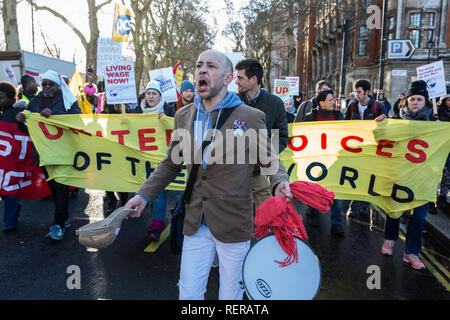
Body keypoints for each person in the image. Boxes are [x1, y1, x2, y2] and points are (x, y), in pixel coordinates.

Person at [124, 49, 292, 300]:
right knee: (189, 294)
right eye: (200, 65)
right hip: (195, 223)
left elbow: (270, 160)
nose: (202, 69)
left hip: (233, 223)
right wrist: (143, 195)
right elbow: (171, 163)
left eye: (211, 66)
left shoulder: (250, 116)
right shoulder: (183, 116)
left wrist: (279, 181)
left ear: (227, 79)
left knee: (230, 296)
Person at [376, 80, 435, 270]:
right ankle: (389, 240)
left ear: (425, 101)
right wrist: (379, 126)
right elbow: (380, 142)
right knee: (394, 210)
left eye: (419, 99)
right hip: (399, 176)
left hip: (423, 179)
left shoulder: (436, 123)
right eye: (412, 99)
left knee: (418, 218)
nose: (415, 102)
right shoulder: (396, 120)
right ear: (406, 101)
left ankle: (411, 253)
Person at [16, 70, 81, 241]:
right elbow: (26, 128)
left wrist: (54, 115)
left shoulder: (68, 101)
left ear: (58, 87)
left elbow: (78, 121)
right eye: (43, 84)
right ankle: (64, 217)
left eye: (50, 84)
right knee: (53, 188)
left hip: (63, 152)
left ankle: (58, 225)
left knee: (61, 188)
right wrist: (21, 119)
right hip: (43, 153)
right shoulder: (35, 101)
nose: (46, 87)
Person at [235, 58, 289, 208]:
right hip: (235, 173)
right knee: (234, 218)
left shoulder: (275, 103)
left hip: (260, 174)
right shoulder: (232, 102)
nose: (236, 82)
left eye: (240, 78)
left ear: (253, 79)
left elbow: (281, 137)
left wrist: (265, 156)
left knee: (269, 216)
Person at [134, 80, 175, 241]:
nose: (151, 97)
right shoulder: (138, 111)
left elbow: (179, 127)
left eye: (154, 94)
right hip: (141, 159)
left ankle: (156, 226)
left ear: (160, 96)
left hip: (161, 160)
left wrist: (167, 119)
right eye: (148, 93)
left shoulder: (169, 110)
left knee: (159, 192)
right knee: (144, 190)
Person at [302, 90, 345, 236]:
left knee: (335, 193)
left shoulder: (339, 116)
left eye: (334, 99)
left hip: (334, 160)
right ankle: (313, 213)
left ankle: (337, 223)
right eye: (330, 100)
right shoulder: (310, 117)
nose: (334, 102)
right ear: (321, 103)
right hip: (315, 160)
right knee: (314, 189)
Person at [344, 79, 387, 218]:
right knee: (355, 176)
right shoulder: (351, 106)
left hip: (372, 149)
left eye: (359, 92)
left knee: (369, 177)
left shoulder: (378, 107)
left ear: (367, 92)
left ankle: (365, 206)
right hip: (355, 148)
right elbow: (343, 125)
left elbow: (386, 127)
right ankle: (353, 205)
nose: (356, 94)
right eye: (355, 91)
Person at [0, 82, 27, 233]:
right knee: (4, 192)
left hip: (14, 159)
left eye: (1, 97)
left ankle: (10, 223)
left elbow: (27, 129)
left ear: (10, 98)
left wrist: (22, 116)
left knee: (9, 190)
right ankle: (14, 207)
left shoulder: (18, 110)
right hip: (1, 158)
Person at [100, 96, 130, 216]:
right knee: (106, 175)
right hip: (107, 147)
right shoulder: (103, 111)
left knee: (122, 175)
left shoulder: (126, 110)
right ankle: (112, 198)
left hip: (122, 148)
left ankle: (123, 202)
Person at [435, 91, 450, 214]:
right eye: (449, 100)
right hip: (439, 149)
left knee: (447, 174)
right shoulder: (438, 114)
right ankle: (431, 197)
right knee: (436, 173)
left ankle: (443, 196)